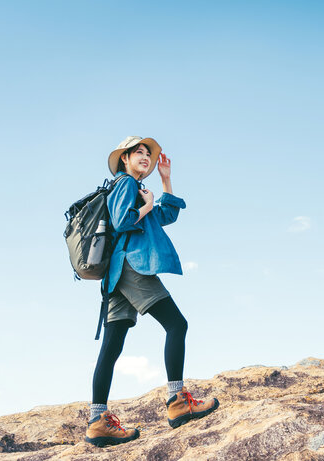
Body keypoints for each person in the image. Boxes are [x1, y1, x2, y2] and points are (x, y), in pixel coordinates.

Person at [85, 136, 219, 447]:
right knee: (176, 324)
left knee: (112, 346)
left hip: (115, 277)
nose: (145, 157)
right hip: (132, 266)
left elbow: (165, 216)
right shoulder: (125, 185)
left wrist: (166, 181)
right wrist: (145, 204)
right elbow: (122, 220)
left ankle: (97, 421)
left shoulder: (135, 189)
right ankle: (178, 400)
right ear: (125, 159)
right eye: (139, 153)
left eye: (148, 153)